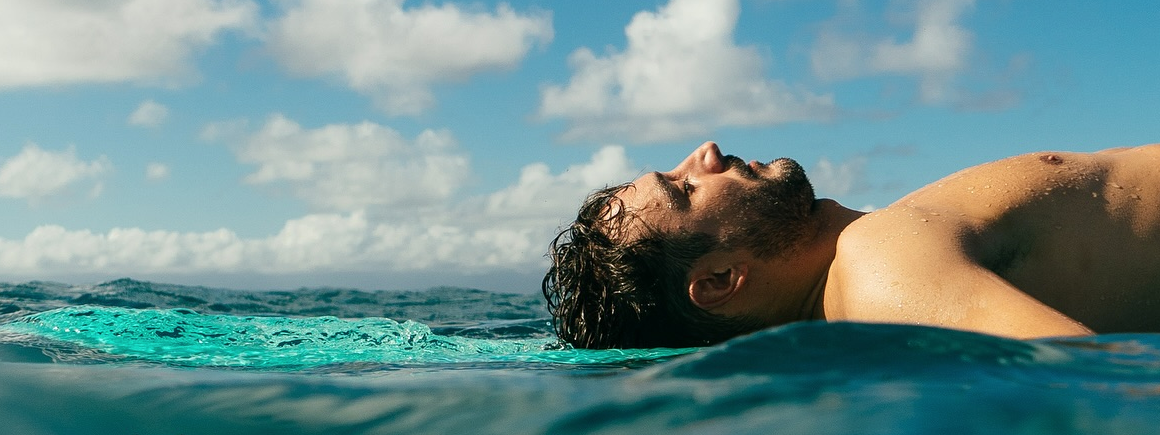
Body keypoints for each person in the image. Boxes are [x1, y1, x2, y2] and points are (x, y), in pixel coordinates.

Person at [542, 141, 1160, 349]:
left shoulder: (872, 277)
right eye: (684, 190)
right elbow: (1092, 376)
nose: (704, 154)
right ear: (721, 279)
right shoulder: (879, 263)